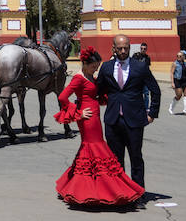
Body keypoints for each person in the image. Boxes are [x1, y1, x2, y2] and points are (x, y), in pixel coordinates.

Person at [54, 46, 143, 206]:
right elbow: (62, 97)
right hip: (87, 118)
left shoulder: (89, 76)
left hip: (94, 116)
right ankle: (92, 190)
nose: (96, 69)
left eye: (97, 66)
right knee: (94, 148)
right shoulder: (79, 78)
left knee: (90, 149)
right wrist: (78, 113)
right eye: (93, 66)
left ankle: (83, 186)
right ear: (85, 64)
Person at [94, 34, 160, 190]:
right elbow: (97, 90)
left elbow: (155, 90)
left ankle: (138, 191)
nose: (123, 51)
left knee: (136, 157)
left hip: (134, 120)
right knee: (115, 159)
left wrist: (152, 114)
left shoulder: (140, 67)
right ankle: (120, 191)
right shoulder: (106, 67)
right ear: (114, 49)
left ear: (130, 48)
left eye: (126, 48)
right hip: (113, 120)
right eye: (120, 48)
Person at [169, 51, 186, 116]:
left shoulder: (184, 63)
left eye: (180, 56)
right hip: (177, 81)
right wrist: (172, 83)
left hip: (185, 80)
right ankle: (171, 108)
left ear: (183, 57)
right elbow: (172, 73)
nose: (178, 57)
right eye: (177, 56)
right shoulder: (175, 64)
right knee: (179, 95)